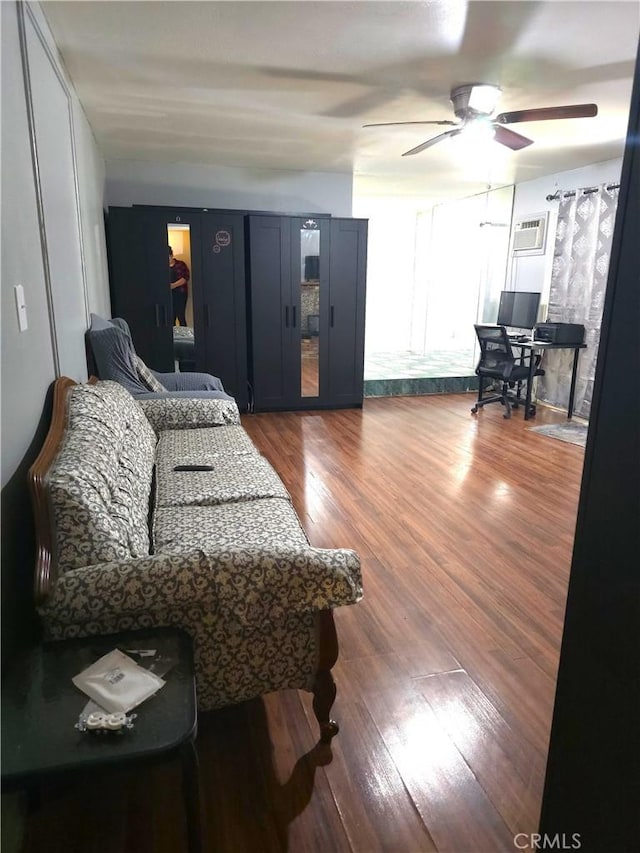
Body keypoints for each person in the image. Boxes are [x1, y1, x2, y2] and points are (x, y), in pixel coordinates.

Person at [169, 245, 190, 326]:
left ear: (171, 256)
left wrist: (173, 285)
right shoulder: (162, 267)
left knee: (181, 315)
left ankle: (185, 336)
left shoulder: (180, 264)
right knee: (171, 316)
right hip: (169, 295)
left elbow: (185, 278)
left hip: (180, 293)